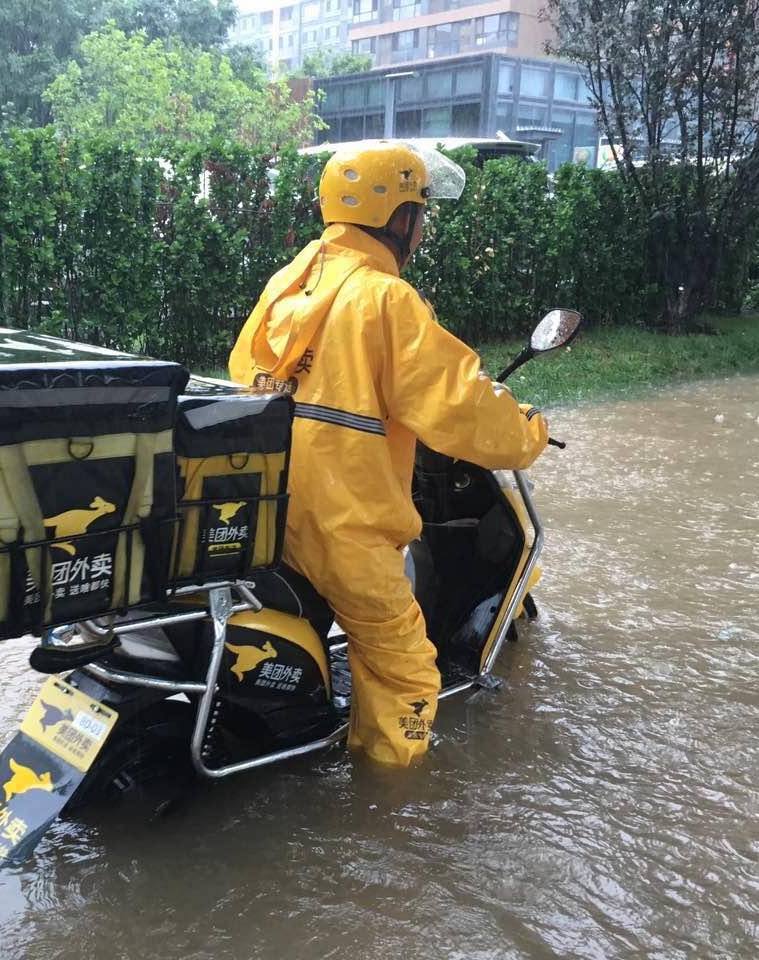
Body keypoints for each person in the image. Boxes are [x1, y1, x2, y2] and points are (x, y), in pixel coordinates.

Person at [228, 141, 549, 766]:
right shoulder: (386, 299)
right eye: (419, 212)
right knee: (404, 670)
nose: (422, 228)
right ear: (399, 218)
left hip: (276, 515)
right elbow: (458, 404)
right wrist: (528, 430)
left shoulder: (288, 284)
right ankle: (388, 801)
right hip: (347, 531)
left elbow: (248, 372)